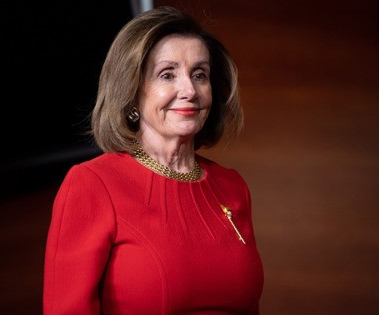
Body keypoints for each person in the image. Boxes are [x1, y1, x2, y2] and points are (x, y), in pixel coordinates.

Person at [43, 5, 264, 314]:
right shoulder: (92, 185)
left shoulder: (232, 187)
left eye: (199, 74)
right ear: (132, 94)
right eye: (167, 74)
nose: (189, 90)